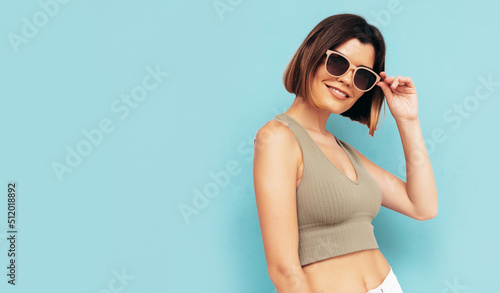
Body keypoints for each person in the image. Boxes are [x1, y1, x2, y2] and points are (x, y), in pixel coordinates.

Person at [252, 14, 438, 293]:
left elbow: (422, 206)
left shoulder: (342, 151)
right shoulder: (278, 138)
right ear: (311, 55)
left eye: (362, 75)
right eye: (338, 62)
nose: (347, 80)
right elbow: (284, 271)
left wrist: (408, 121)